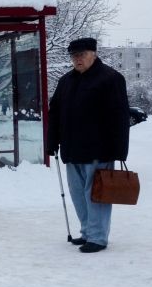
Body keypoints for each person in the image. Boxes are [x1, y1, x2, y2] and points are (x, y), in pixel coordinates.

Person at [47, 38, 130, 254]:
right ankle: (86, 233)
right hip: (72, 149)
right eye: (74, 56)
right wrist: (51, 141)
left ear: (93, 53)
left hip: (99, 149)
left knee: (96, 194)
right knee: (78, 194)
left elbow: (119, 116)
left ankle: (98, 237)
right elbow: (54, 113)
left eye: (81, 54)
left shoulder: (110, 79)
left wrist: (120, 150)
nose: (77, 59)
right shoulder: (66, 81)